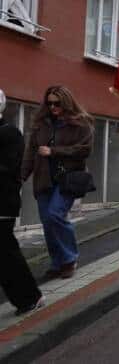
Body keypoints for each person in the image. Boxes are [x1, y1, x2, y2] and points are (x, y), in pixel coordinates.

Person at [21, 85, 93, 280]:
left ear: (66, 102)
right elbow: (30, 153)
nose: (53, 107)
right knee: (47, 223)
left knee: (55, 215)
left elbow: (85, 150)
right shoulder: (40, 124)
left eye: (57, 103)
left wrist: (55, 151)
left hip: (67, 180)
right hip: (43, 180)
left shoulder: (81, 124)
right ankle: (57, 263)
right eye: (49, 103)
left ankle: (69, 259)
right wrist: (20, 177)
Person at [0, 89, 44, 315]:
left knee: (6, 254)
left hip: (2, 202)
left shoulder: (10, 134)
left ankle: (29, 297)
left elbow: (9, 168)